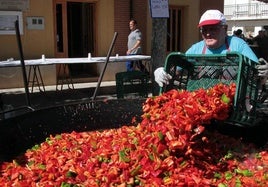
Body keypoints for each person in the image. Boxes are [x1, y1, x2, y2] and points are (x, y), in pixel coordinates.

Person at [154, 9, 268, 89]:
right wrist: (162, 72)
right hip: (201, 105)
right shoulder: (196, 49)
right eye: (204, 30)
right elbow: (175, 72)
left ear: (225, 28)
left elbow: (257, 71)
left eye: (213, 29)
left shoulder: (237, 45)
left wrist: (263, 74)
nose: (208, 34)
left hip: (234, 104)